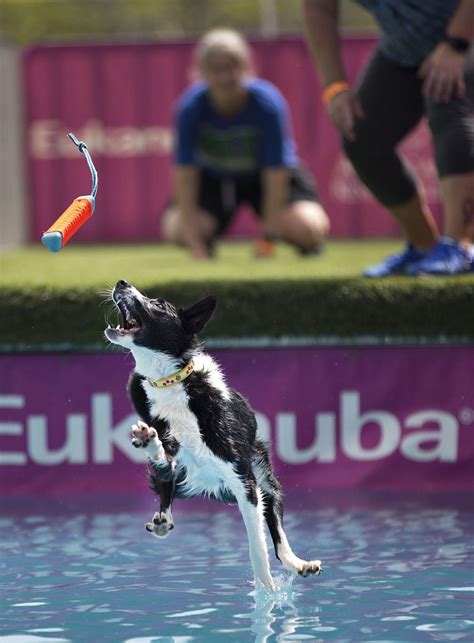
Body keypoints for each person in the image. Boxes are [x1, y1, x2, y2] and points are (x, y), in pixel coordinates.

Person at [302, 0, 474, 276]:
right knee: (362, 138)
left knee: (448, 105)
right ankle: (425, 247)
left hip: (465, 34)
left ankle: (460, 247)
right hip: (404, 48)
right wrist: (334, 86)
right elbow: (318, 7)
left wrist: (456, 45)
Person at [162, 28, 330, 259]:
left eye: (231, 67)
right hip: (214, 179)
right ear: (201, 72)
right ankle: (207, 243)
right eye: (215, 69)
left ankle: (306, 246)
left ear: (245, 68)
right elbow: (185, 174)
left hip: (265, 178)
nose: (224, 77)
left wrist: (268, 238)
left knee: (308, 228)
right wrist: (194, 242)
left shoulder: (266, 103)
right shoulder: (190, 107)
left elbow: (275, 172)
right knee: (175, 229)